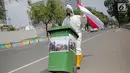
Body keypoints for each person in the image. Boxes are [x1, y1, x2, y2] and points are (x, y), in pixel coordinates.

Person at [62, 4, 87, 69]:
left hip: (78, 35)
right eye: (67, 10)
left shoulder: (78, 17)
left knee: (77, 48)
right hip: (69, 36)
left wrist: (83, 15)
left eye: (69, 10)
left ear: (72, 10)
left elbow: (84, 22)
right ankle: (78, 57)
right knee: (71, 49)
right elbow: (63, 27)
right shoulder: (65, 20)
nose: (68, 12)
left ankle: (78, 63)